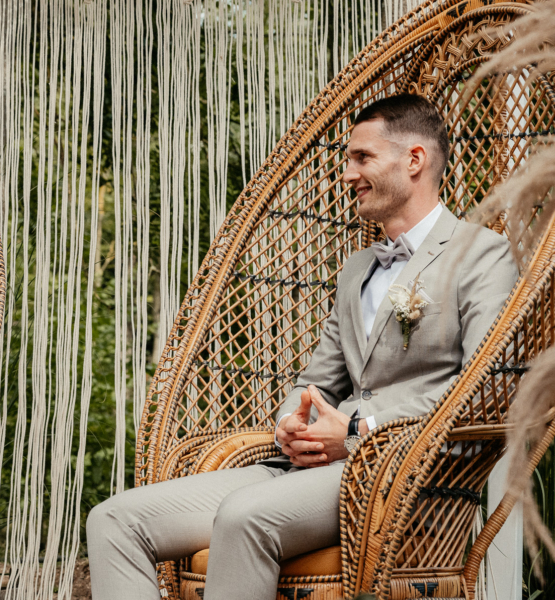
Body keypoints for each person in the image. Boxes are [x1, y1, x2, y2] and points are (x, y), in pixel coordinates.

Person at [86, 94, 519, 600]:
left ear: (415, 160)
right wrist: (293, 423)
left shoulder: (481, 254)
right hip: (304, 470)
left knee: (244, 517)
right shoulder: (358, 269)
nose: (347, 173)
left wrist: (358, 430)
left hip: (398, 475)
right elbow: (315, 381)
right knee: (115, 519)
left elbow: (489, 391)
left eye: (362, 157)